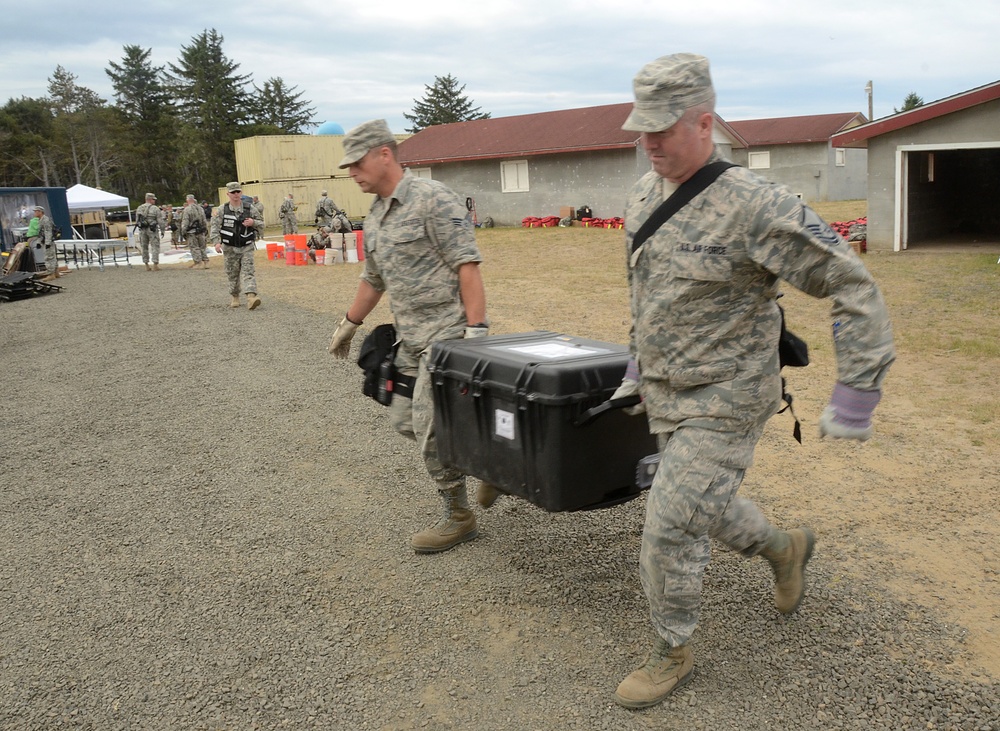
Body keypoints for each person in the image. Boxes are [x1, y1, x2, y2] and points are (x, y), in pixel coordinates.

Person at [610, 53, 896, 710]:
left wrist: (856, 393)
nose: (648, 142)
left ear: (704, 121)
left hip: (728, 395)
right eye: (640, 128)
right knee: (698, 501)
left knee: (671, 519)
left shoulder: (755, 207)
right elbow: (648, 295)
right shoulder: (639, 198)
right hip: (665, 389)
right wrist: (634, 368)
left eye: (663, 128)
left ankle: (671, 647)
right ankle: (785, 548)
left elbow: (850, 282)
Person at [327, 119, 494, 553]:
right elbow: (374, 278)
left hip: (448, 338)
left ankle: (459, 516)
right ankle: (493, 464)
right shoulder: (377, 214)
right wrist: (350, 321)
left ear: (385, 154)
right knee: (405, 421)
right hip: (410, 342)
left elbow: (467, 266)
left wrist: (476, 334)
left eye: (357, 163)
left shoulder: (433, 199)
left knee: (427, 427)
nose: (352, 173)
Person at [210, 182, 263, 310]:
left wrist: (253, 222)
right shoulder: (222, 209)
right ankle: (235, 296)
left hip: (246, 246)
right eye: (233, 192)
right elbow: (214, 227)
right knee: (232, 274)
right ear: (228, 194)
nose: (236, 194)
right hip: (229, 247)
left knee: (248, 271)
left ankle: (251, 297)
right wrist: (216, 242)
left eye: (238, 192)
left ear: (241, 193)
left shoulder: (249, 208)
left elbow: (261, 223)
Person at [26, 205, 57, 279]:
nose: (34, 213)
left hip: (47, 242)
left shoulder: (45, 220)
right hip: (44, 240)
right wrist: (38, 242)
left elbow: (48, 232)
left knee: (48, 257)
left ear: (40, 212)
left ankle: (51, 274)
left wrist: (48, 243)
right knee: (52, 257)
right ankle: (56, 272)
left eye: (36, 211)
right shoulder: (41, 220)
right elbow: (40, 233)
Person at [135, 193, 164, 271]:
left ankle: (146, 264)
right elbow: (160, 221)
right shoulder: (155, 209)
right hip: (152, 230)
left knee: (144, 247)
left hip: (142, 230)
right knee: (155, 246)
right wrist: (162, 230)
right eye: (153, 199)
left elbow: (137, 221)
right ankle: (155, 264)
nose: (154, 201)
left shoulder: (139, 208)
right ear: (150, 199)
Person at [181, 194, 209, 269]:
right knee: (202, 247)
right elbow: (204, 220)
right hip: (201, 231)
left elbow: (185, 222)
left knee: (194, 247)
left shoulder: (187, 209)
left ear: (187, 200)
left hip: (191, 232)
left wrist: (183, 231)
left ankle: (198, 263)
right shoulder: (200, 209)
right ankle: (206, 262)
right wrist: (205, 229)